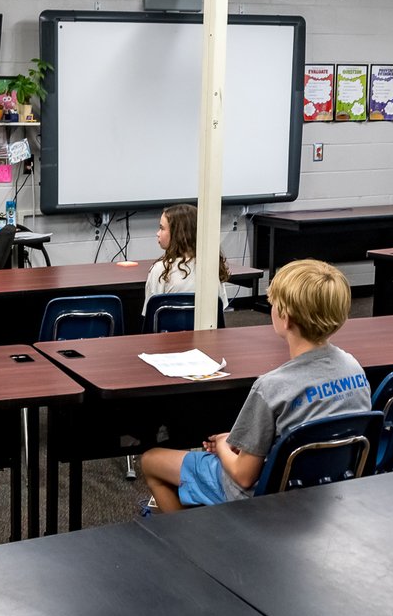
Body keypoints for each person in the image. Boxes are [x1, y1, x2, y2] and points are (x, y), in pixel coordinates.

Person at [140, 259, 370, 512]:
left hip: (267, 494)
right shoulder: (354, 368)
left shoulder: (271, 387)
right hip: (327, 486)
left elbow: (244, 476)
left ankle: (188, 548)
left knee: (152, 461)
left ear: (286, 318)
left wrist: (223, 445)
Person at [143, 203, 231, 316]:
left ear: (178, 234)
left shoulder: (161, 269)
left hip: (169, 332)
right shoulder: (211, 266)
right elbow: (220, 312)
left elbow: (150, 314)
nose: (157, 233)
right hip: (206, 333)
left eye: (161, 228)